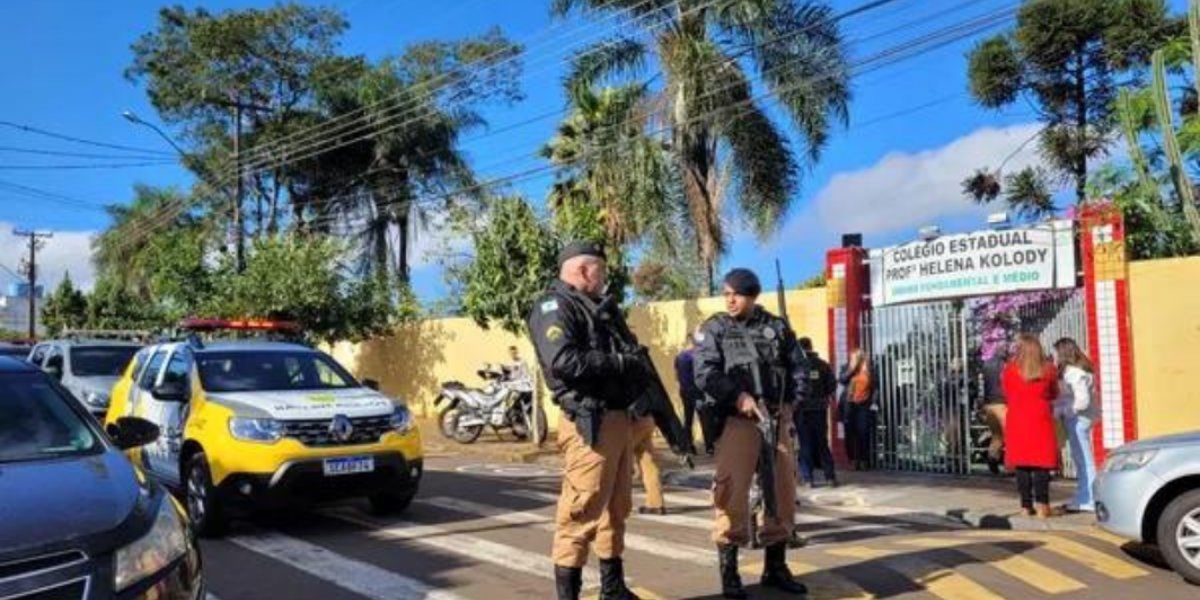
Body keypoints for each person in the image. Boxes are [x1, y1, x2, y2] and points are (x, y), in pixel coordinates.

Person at [527, 241, 644, 600]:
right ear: (583, 270)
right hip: (588, 421)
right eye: (601, 272)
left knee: (616, 507)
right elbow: (564, 361)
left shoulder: (600, 309)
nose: (604, 279)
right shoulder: (554, 306)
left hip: (618, 418)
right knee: (580, 513)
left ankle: (613, 588)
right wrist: (619, 364)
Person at [694, 268, 809, 598]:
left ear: (753, 295)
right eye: (726, 292)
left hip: (774, 420)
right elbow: (705, 373)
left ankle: (776, 567)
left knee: (782, 494)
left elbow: (799, 367)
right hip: (738, 422)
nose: (729, 299)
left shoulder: (776, 327)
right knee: (731, 493)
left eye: (737, 293)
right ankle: (730, 573)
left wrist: (792, 404)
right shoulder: (715, 328)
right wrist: (737, 396)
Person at [1001, 334, 1060, 519]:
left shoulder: (1010, 370)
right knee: (1042, 465)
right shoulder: (1048, 369)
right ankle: (1043, 505)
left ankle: (1025, 506)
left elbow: (1006, 392)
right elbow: (1054, 393)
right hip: (1040, 419)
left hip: (1017, 420)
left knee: (1022, 465)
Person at [1054, 337, 1097, 513]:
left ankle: (1089, 498)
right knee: (1082, 459)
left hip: (1078, 419)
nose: (1054, 356)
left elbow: (1082, 401)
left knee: (1083, 460)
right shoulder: (1082, 370)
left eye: (1056, 352)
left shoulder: (1073, 373)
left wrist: (1066, 411)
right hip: (1082, 418)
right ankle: (1084, 496)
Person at [795, 337, 837, 488]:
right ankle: (830, 476)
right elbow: (832, 386)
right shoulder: (823, 365)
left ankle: (807, 479)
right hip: (819, 409)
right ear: (811, 346)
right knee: (822, 443)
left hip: (802, 409)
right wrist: (823, 396)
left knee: (805, 444)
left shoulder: (797, 365)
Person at [674, 331, 714, 455]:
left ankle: (689, 447)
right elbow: (700, 375)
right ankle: (709, 447)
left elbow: (676, 376)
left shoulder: (679, 357)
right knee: (704, 419)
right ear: (694, 341)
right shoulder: (697, 356)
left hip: (684, 391)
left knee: (688, 419)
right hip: (697, 392)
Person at [839, 349, 874, 471]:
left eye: (857, 357)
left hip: (864, 405)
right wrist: (851, 369)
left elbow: (876, 386)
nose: (854, 359)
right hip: (849, 404)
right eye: (853, 357)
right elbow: (842, 380)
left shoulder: (869, 369)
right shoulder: (846, 367)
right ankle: (853, 460)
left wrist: (874, 402)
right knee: (849, 433)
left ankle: (864, 460)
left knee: (863, 432)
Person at [630, 410, 666, 516]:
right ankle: (655, 503)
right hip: (647, 419)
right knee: (648, 462)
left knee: (617, 460)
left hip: (630, 420)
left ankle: (611, 506)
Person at [981, 344, 1010, 474]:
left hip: (988, 404)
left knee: (996, 435)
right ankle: (1010, 465)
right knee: (1009, 435)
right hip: (1002, 403)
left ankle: (992, 458)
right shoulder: (1005, 365)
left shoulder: (986, 365)